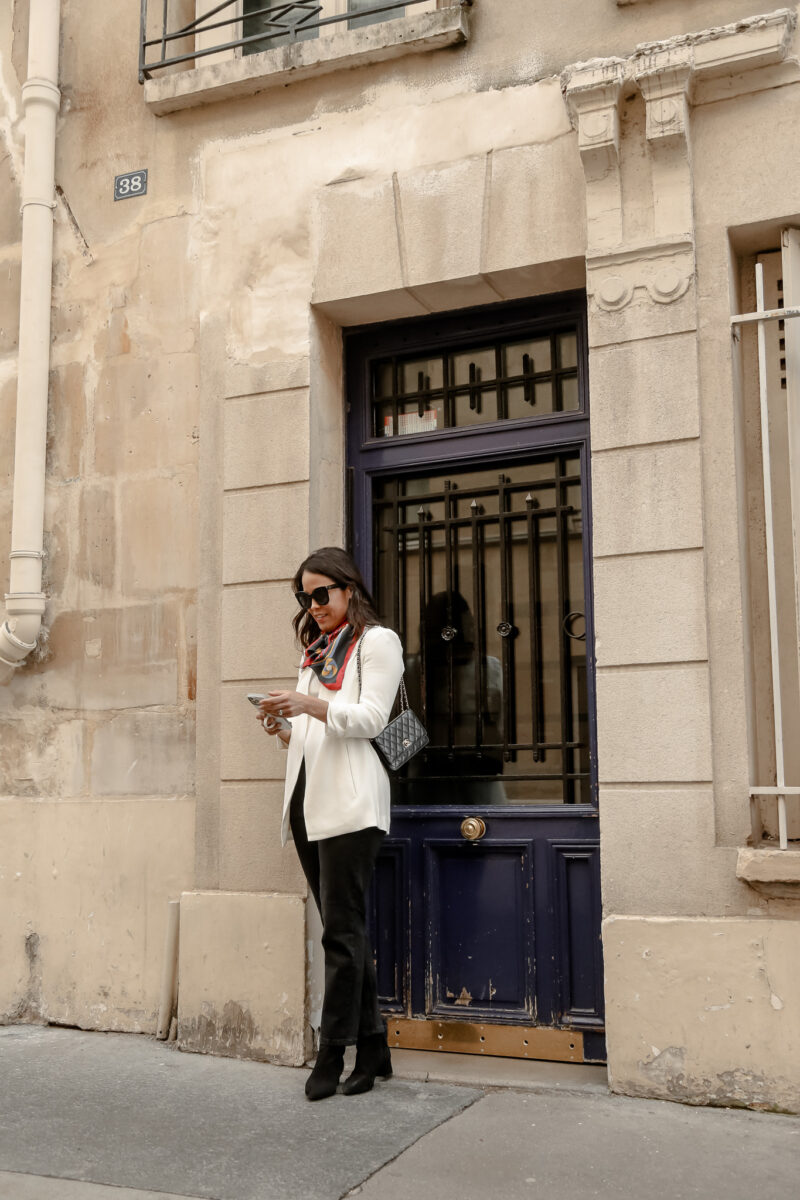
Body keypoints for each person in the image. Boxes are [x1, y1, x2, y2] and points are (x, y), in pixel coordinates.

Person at [257, 546, 404, 1101]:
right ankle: (374, 1050)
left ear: (348, 589)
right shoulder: (316, 650)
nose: (314, 605)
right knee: (347, 931)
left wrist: (306, 704)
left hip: (350, 803)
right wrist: (284, 727)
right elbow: (318, 733)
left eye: (321, 593)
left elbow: (371, 719)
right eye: (305, 596)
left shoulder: (376, 643)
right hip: (308, 801)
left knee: (340, 934)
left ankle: (333, 1053)